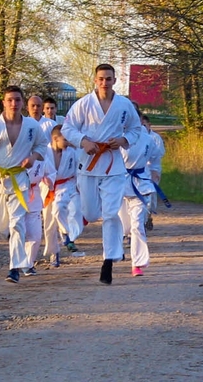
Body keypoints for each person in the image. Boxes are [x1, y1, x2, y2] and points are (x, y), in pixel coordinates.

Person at [62, 63, 143, 284]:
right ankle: (106, 246)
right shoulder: (83, 104)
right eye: (101, 79)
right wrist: (83, 141)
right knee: (90, 212)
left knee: (110, 213)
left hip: (114, 165)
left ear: (115, 80)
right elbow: (67, 128)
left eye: (108, 78)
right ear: (95, 80)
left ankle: (108, 260)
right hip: (89, 163)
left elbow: (136, 129)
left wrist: (123, 140)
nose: (104, 82)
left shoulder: (124, 105)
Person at [0, 85, 51, 283]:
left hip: (19, 180)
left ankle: (14, 268)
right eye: (10, 100)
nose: (14, 104)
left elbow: (42, 145)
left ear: (22, 103)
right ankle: (13, 242)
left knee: (17, 223)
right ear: (4, 102)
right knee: (0, 225)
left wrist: (33, 157)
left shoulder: (32, 127)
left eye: (17, 100)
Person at [119, 113, 168, 276]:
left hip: (141, 183)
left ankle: (137, 264)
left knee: (137, 225)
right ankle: (115, 251)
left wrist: (155, 172)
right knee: (124, 226)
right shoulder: (116, 137)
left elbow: (155, 158)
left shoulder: (147, 139)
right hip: (119, 182)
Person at [41, 125, 85, 266]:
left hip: (68, 185)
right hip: (48, 188)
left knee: (66, 209)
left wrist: (80, 186)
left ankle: (67, 236)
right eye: (65, 140)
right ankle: (55, 253)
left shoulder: (72, 151)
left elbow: (82, 161)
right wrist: (43, 178)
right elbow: (35, 168)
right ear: (55, 138)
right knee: (49, 223)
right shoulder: (43, 151)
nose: (67, 142)